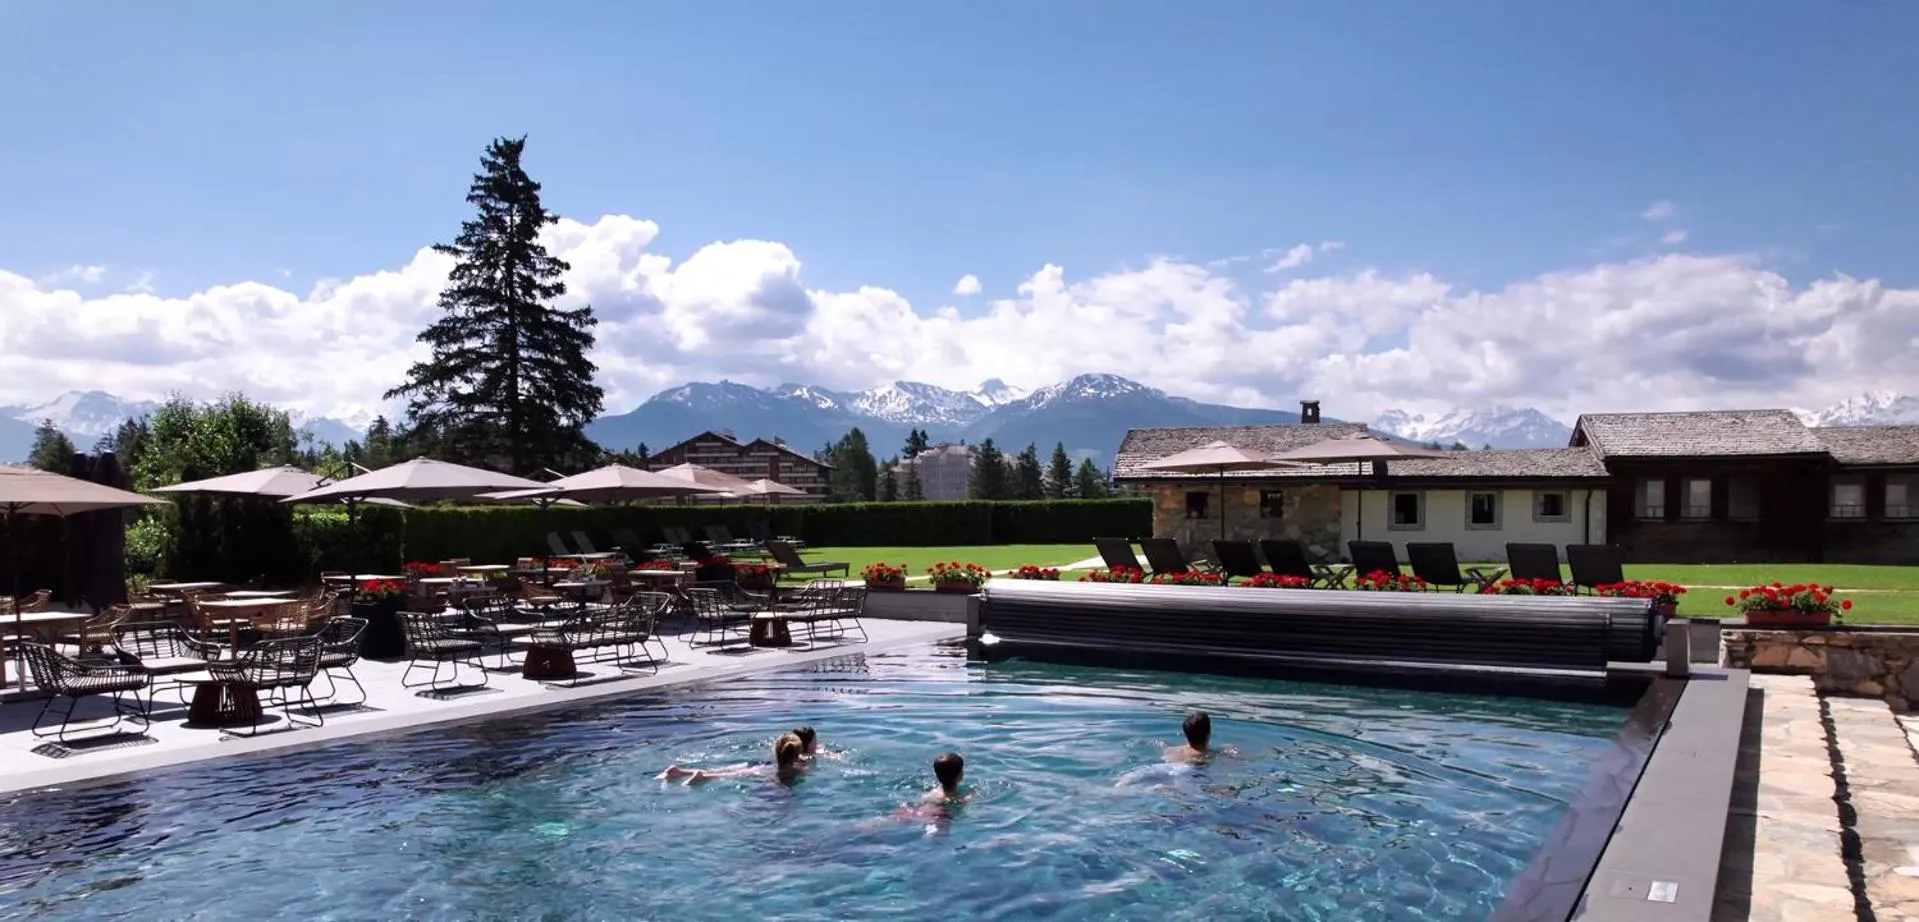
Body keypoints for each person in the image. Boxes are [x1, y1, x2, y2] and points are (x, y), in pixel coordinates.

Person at [659, 733, 807, 785]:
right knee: (726, 775)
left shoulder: (779, 760)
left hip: (762, 767)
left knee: (725, 772)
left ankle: (680, 771)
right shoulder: (794, 770)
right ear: (796, 755)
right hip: (766, 772)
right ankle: (701, 776)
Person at [1163, 711, 1235, 764]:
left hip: (1162, 769)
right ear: (1208, 736)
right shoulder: (1210, 754)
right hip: (1188, 774)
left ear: (1186, 735)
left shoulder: (1170, 750)